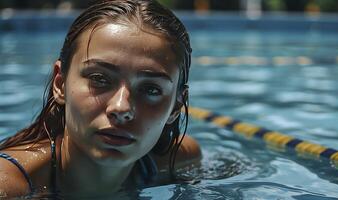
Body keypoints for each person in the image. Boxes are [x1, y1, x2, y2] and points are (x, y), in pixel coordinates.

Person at [0, 0, 201, 198]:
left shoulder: (180, 160)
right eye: (99, 79)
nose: (121, 108)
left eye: (151, 89)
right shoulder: (9, 185)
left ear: (176, 107)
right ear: (60, 84)